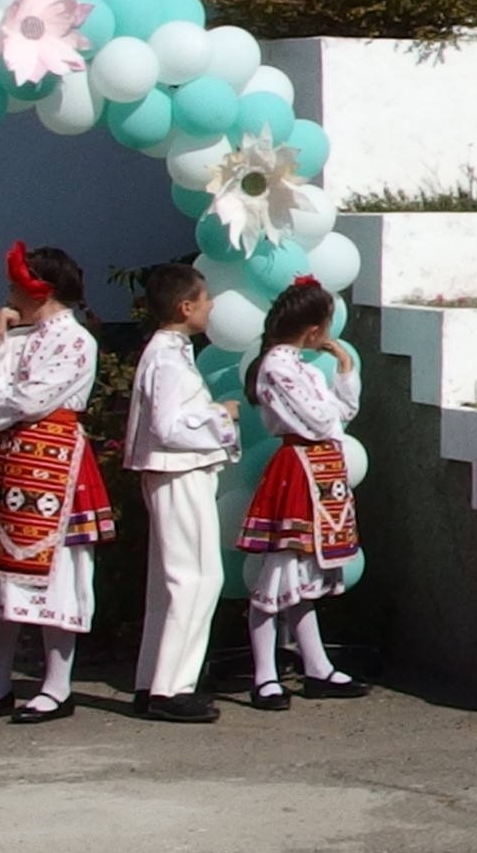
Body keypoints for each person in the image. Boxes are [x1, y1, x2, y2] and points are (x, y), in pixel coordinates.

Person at [0, 245, 111, 722]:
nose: (7, 295)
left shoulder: (76, 340)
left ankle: (57, 687)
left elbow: (31, 400)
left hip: (51, 461)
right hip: (4, 462)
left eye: (13, 288)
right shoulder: (18, 338)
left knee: (57, 572)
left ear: (38, 291)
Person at [237, 279, 366, 709]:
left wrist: (344, 366)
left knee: (304, 576)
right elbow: (322, 421)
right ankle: (264, 674)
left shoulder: (304, 368)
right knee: (279, 571)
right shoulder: (277, 368)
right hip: (299, 469)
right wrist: (331, 411)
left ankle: (316, 666)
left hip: (320, 470)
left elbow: (343, 411)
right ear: (313, 330)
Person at [124, 263, 236, 723]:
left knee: (173, 581)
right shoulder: (167, 358)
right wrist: (219, 416)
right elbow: (168, 426)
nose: (211, 306)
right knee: (197, 578)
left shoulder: (169, 352)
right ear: (185, 306)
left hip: (177, 471)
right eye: (205, 299)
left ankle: (154, 679)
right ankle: (172, 687)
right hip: (179, 471)